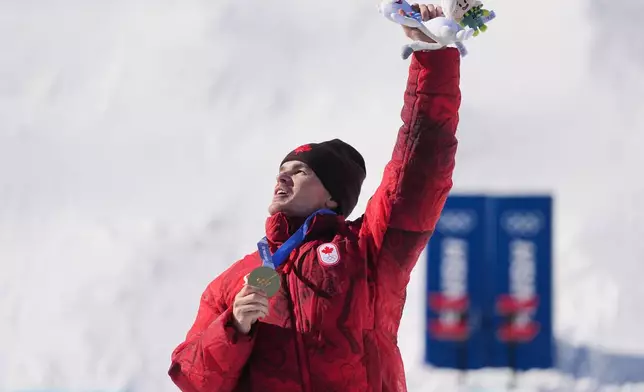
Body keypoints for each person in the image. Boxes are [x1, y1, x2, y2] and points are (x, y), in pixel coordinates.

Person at [168, 3, 461, 391]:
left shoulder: (367, 253)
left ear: (333, 199)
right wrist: (233, 326)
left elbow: (419, 170)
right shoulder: (236, 281)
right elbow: (192, 377)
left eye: (301, 171)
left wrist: (432, 63)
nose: (283, 177)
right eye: (282, 170)